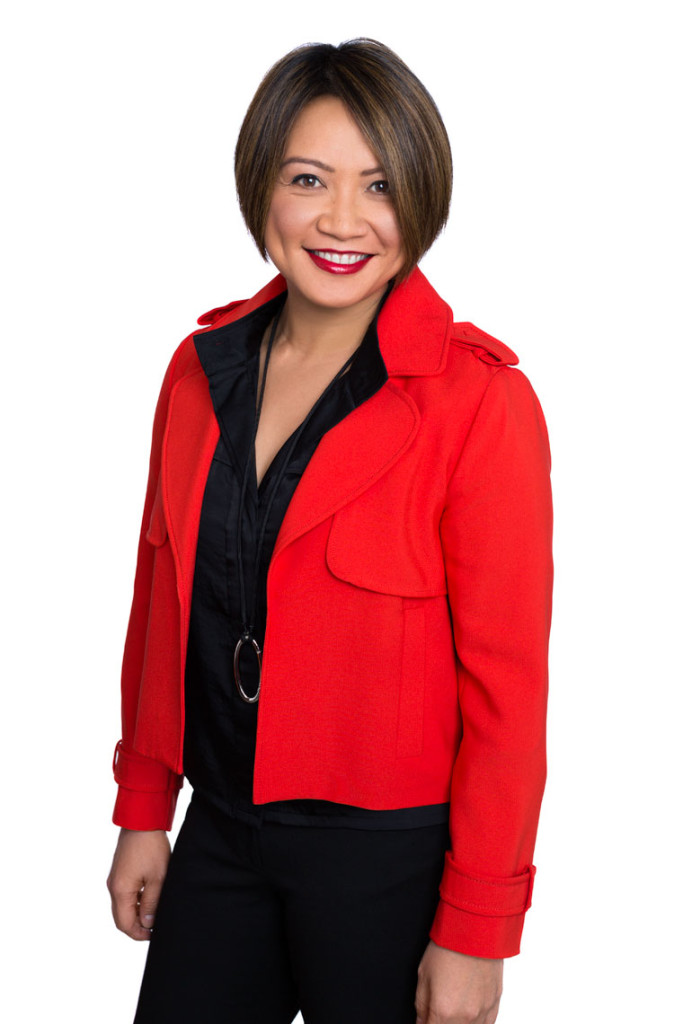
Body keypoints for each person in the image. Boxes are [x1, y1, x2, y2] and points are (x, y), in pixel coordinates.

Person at [106, 38, 553, 1024]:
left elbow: (506, 694)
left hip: (384, 861)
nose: (342, 220)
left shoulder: (478, 404)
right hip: (220, 826)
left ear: (420, 199)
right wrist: (146, 806)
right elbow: (161, 604)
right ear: (260, 185)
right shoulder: (198, 372)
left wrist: (476, 926)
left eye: (379, 185)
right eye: (308, 179)